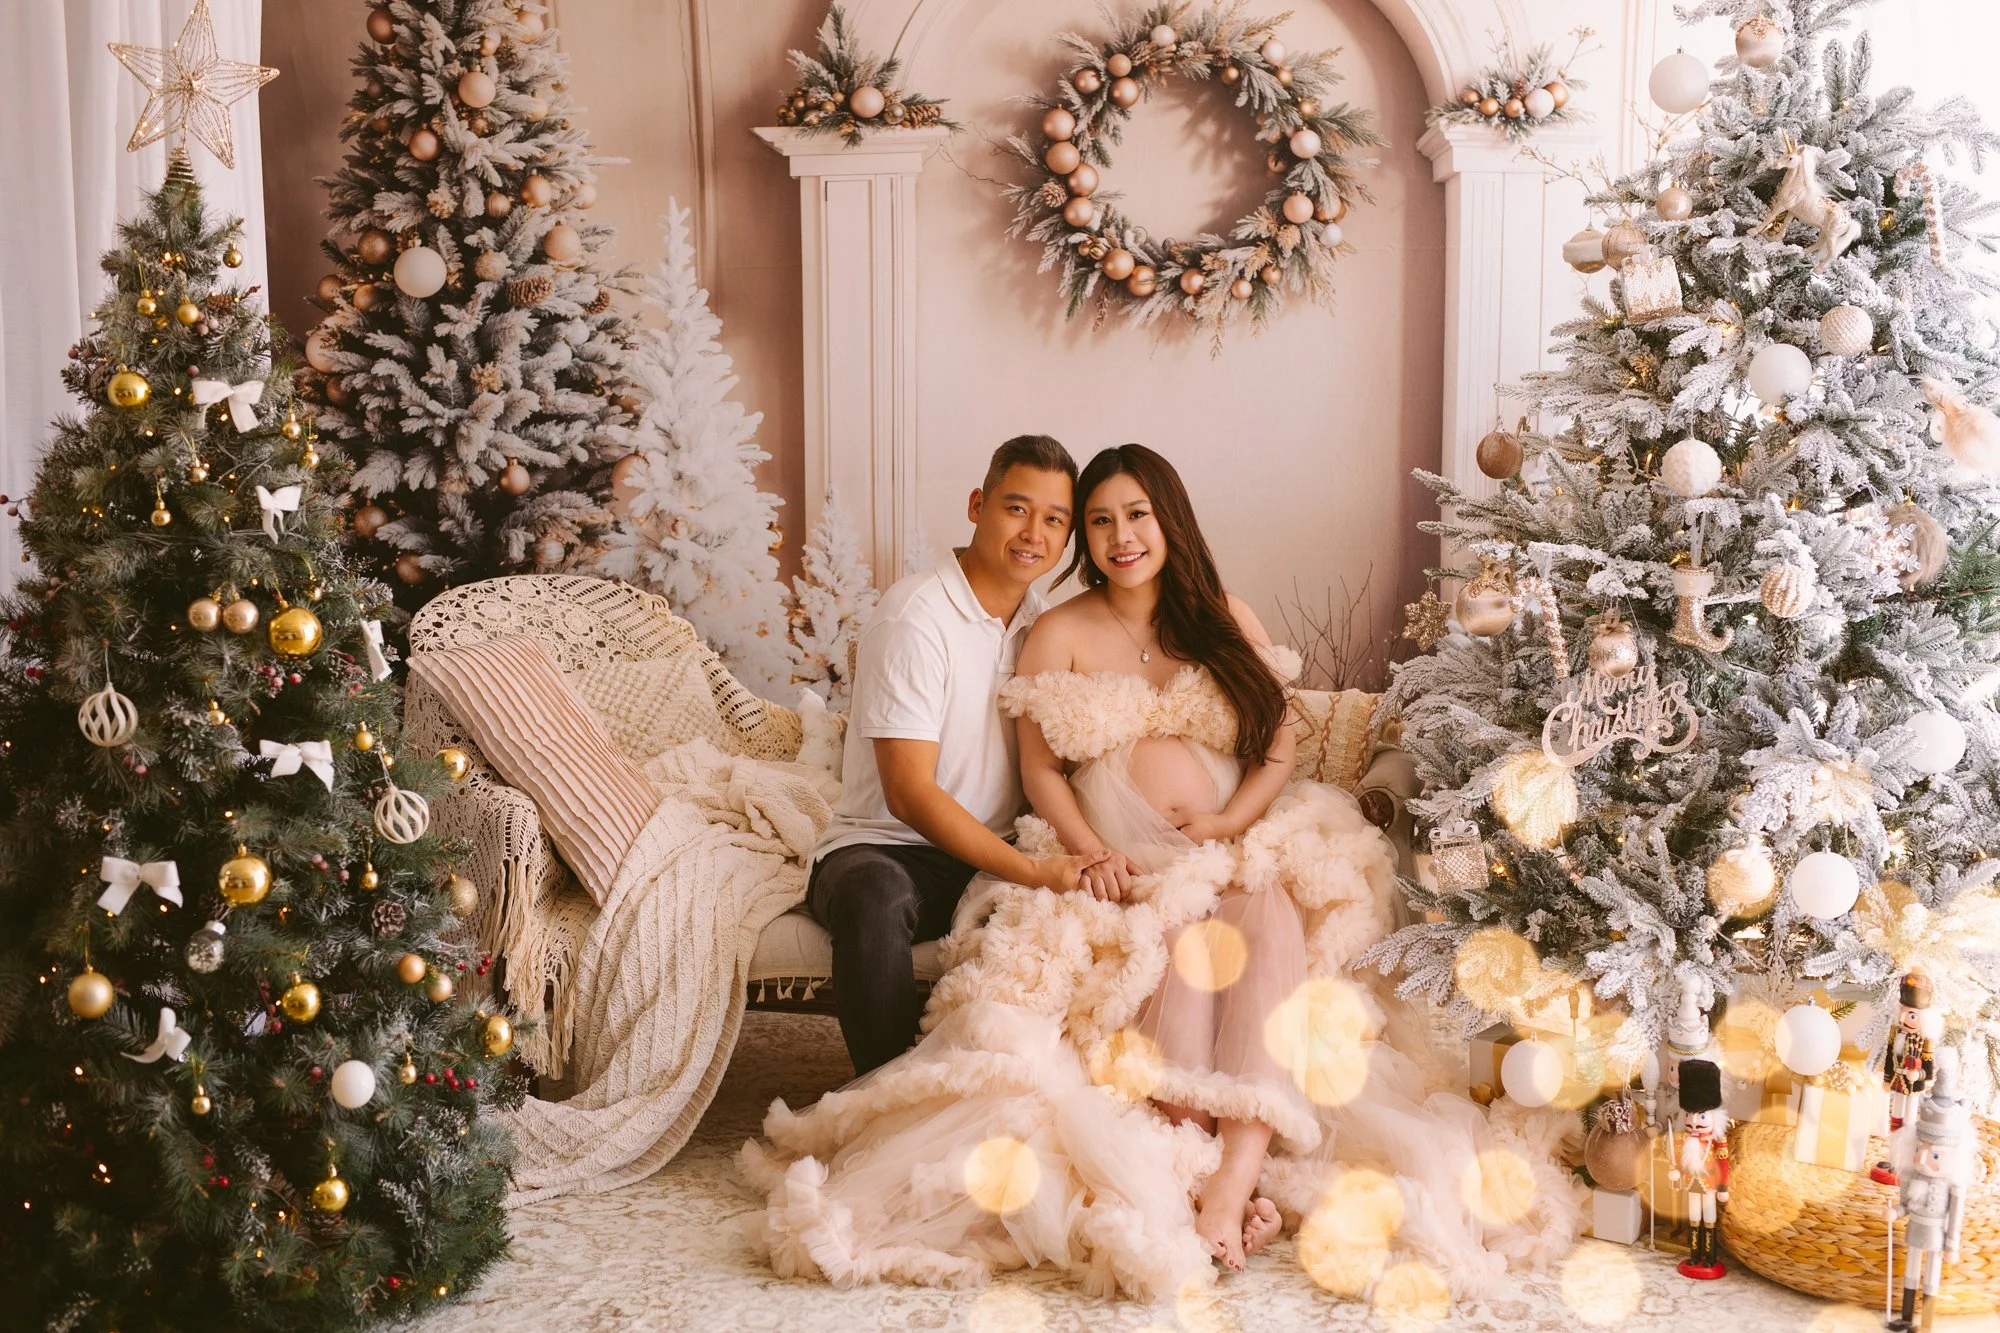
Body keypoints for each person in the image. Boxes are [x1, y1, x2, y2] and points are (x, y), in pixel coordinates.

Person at [744, 445, 1581, 1299]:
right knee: (1179, 938)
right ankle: (1196, 1157)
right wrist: (1086, 853)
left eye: (1133, 514)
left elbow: (1279, 742)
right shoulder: (1052, 627)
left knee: (1269, 911)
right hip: (1122, 859)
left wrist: (1225, 821)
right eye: (1099, 521)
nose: (1118, 536)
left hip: (1225, 841)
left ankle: (1235, 1177)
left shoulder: (1221, 616)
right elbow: (1037, 772)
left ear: (1168, 519)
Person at [807, 434, 1107, 1076]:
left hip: (995, 855)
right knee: (873, 895)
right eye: (1017, 508)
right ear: (978, 505)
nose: (1034, 533)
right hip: (888, 848)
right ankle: (880, 1099)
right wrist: (1033, 875)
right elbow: (908, 794)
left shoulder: (1044, 624)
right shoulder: (917, 615)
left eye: (1055, 520)